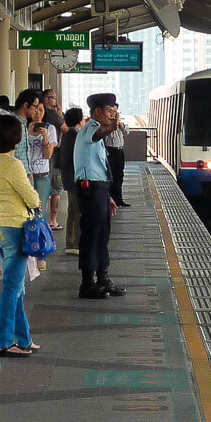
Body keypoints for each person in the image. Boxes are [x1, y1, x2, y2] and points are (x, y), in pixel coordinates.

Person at [0, 115, 41, 358]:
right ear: (15, 139)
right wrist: (35, 199)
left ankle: (23, 338)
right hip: (14, 229)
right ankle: (4, 342)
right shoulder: (13, 165)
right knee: (11, 288)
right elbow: (31, 197)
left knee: (17, 289)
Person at [74, 93, 126, 299]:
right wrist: (112, 128)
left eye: (114, 111)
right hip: (90, 189)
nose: (112, 115)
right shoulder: (89, 129)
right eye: (109, 111)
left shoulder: (97, 132)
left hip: (100, 189)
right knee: (91, 235)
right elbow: (97, 135)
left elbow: (98, 166)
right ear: (97, 112)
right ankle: (87, 283)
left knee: (102, 235)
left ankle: (103, 279)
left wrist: (108, 196)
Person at [27, 102, 57, 271]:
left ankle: (41, 254)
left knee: (39, 214)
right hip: (25, 175)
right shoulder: (23, 127)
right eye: (35, 109)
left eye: (41, 110)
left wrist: (44, 137)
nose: (38, 113)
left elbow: (48, 155)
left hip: (41, 176)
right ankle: (27, 248)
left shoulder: (50, 128)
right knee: (24, 215)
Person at [60, 108, 84, 255]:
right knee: (78, 212)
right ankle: (77, 244)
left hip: (68, 177)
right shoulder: (75, 135)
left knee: (72, 211)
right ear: (79, 120)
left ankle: (70, 243)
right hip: (74, 178)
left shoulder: (68, 134)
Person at [42, 89, 66, 230]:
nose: (55, 101)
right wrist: (59, 113)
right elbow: (65, 128)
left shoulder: (44, 116)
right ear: (46, 99)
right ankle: (53, 220)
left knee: (43, 189)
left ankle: (43, 220)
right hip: (54, 156)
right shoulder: (51, 114)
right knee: (56, 188)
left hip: (42, 158)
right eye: (53, 98)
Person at [104, 109, 130, 207]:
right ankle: (109, 199)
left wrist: (121, 126)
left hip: (119, 151)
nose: (114, 114)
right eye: (111, 112)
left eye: (115, 112)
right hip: (109, 151)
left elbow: (127, 132)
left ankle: (118, 199)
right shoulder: (105, 125)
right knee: (110, 176)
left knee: (119, 175)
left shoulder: (121, 124)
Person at [13, 89, 39, 181]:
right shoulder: (14, 123)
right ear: (25, 105)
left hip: (25, 172)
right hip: (18, 174)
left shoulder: (24, 123)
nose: (36, 111)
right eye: (35, 106)